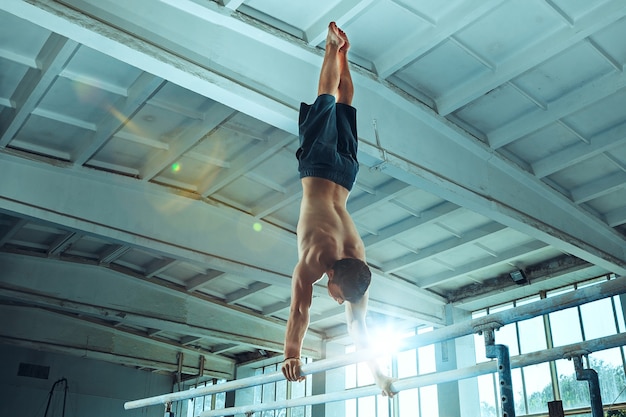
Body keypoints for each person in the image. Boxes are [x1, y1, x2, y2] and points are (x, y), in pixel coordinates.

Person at [281, 21, 394, 397]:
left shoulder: (358, 265)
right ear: (331, 274)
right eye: (338, 295)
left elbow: (360, 330)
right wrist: (290, 354)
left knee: (344, 105)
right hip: (318, 168)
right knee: (325, 98)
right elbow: (300, 311)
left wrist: (380, 375)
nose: (338, 300)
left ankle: (343, 54)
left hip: (347, 177)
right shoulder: (315, 260)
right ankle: (331, 48)